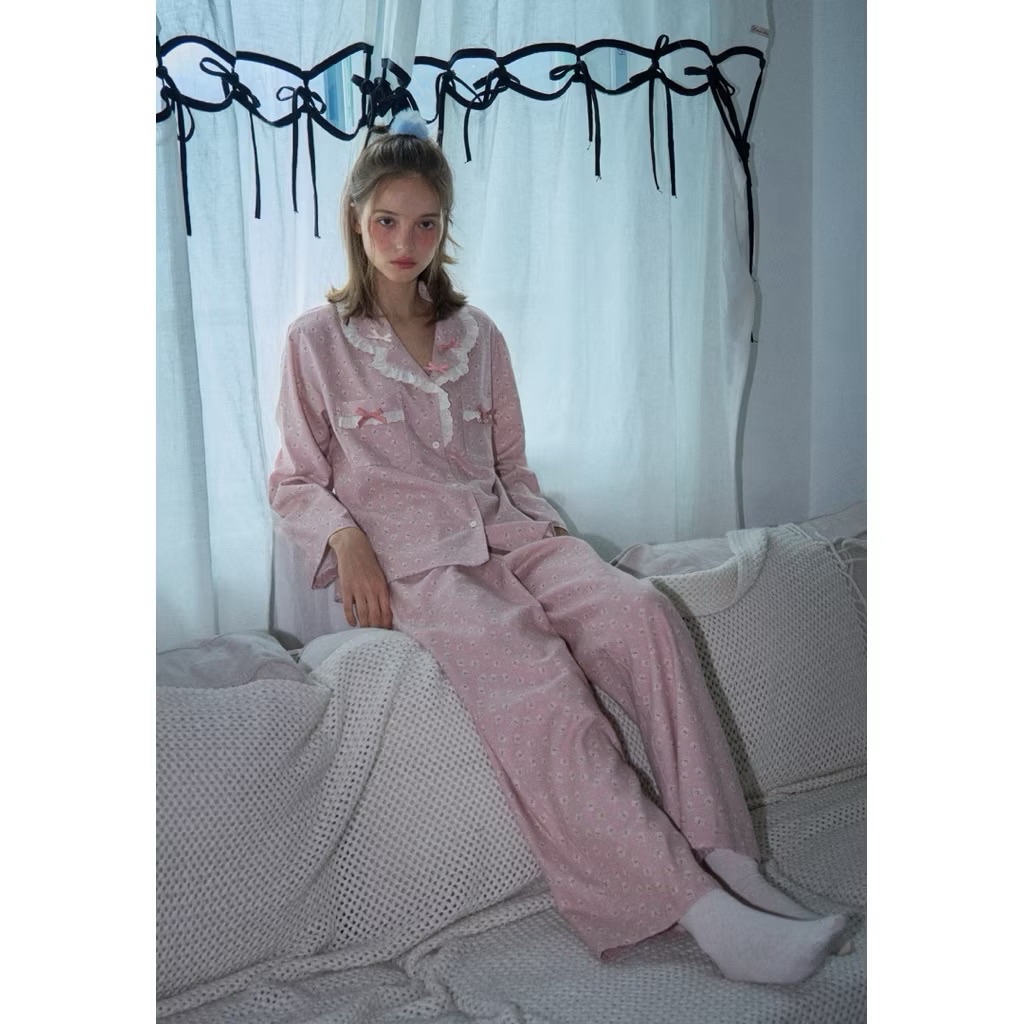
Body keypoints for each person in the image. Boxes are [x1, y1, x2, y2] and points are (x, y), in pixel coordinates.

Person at [268, 110, 847, 984]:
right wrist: (343, 538)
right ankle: (700, 911)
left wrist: (557, 549)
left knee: (642, 615)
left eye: (425, 223)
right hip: (420, 566)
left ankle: (729, 857)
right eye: (386, 220)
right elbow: (294, 479)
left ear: (444, 227)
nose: (405, 242)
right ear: (356, 218)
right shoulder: (316, 343)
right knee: (539, 686)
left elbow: (511, 466)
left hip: (515, 530)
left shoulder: (477, 336)